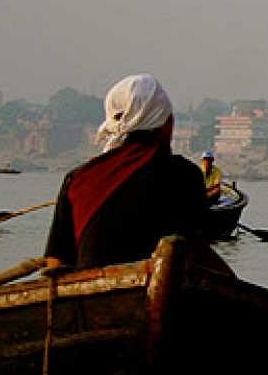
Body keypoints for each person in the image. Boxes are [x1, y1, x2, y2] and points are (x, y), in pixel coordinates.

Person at [44, 75, 206, 270]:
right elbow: (196, 253)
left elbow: (55, 262)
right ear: (166, 125)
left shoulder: (77, 179)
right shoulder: (186, 175)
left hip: (89, 288)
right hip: (159, 283)